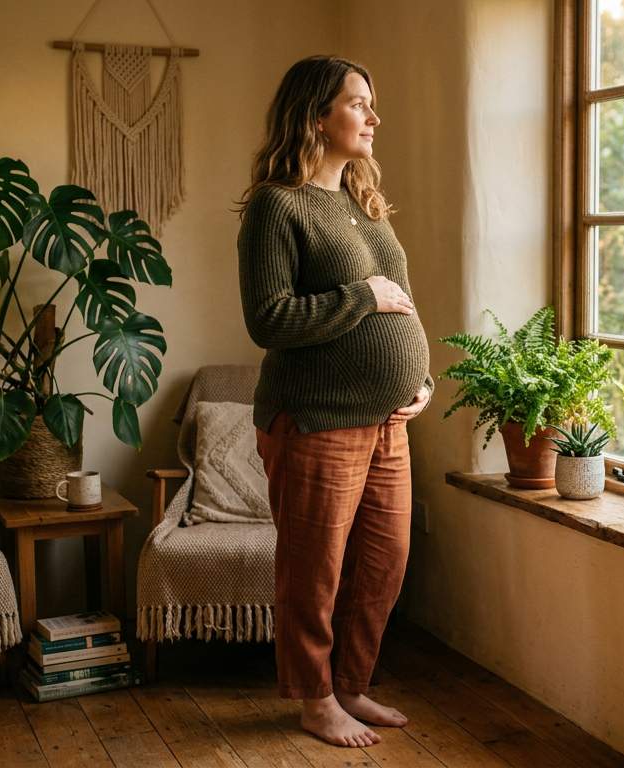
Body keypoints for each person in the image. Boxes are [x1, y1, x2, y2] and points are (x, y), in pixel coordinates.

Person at [235, 55, 431, 748]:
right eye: (358, 104)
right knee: (314, 573)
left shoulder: (363, 203)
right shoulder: (276, 206)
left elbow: (405, 305)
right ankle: (315, 700)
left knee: (384, 563)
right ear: (316, 114)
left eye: (371, 105)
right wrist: (361, 296)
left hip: (388, 425)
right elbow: (268, 317)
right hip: (315, 421)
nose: (374, 118)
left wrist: (421, 382)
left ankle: (350, 685)